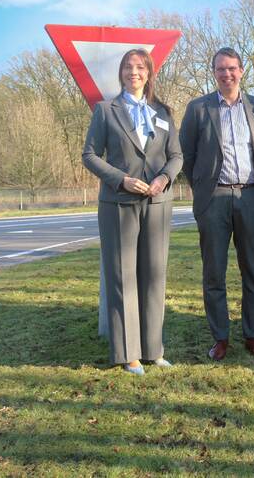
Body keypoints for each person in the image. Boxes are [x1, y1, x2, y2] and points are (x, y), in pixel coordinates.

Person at [82, 48, 183, 375]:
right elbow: (90, 155)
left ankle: (153, 350)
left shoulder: (163, 111)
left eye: (140, 67)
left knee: (154, 276)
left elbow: (176, 156)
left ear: (150, 72)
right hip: (119, 204)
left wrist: (165, 178)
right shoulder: (105, 110)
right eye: (128, 67)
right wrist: (121, 180)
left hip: (157, 204)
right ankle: (129, 354)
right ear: (121, 73)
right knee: (123, 277)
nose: (134, 72)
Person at [179, 47, 254, 361]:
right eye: (220, 69)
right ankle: (220, 337)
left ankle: (253, 335)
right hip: (213, 199)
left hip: (251, 196)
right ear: (214, 72)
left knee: (253, 270)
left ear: (241, 71)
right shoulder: (198, 109)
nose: (226, 74)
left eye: (232, 68)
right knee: (214, 272)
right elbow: (186, 157)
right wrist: (202, 189)